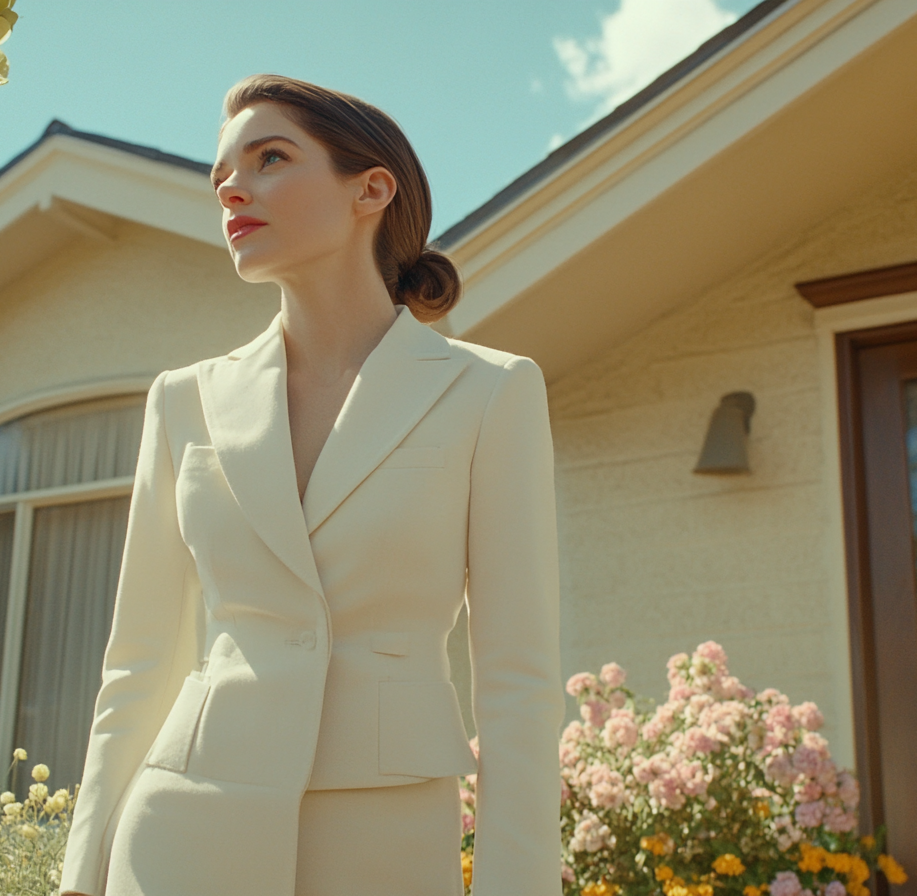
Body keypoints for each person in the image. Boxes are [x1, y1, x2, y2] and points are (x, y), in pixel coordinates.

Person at [58, 75, 564, 896]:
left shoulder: (490, 392)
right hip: (181, 826)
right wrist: (81, 878)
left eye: (269, 158)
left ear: (370, 189)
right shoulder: (184, 399)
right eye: (221, 172)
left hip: (384, 837)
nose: (231, 186)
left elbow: (519, 677)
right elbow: (139, 662)